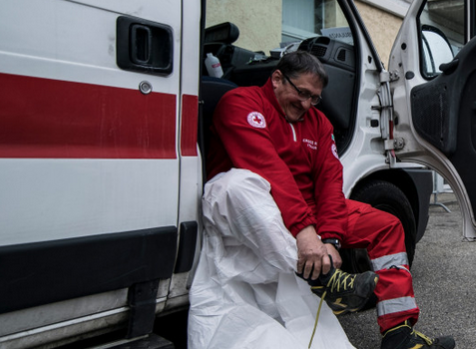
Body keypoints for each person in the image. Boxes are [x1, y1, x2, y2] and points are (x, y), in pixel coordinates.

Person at [188, 51, 454, 349]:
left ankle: (398, 333)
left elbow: (329, 183)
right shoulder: (240, 104)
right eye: (301, 93)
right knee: (243, 184)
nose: (306, 104)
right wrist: (306, 232)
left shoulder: (319, 122)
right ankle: (326, 278)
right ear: (277, 79)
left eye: (314, 98)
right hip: (258, 207)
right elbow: (267, 168)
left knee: (388, 225)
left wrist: (330, 238)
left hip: (308, 212)